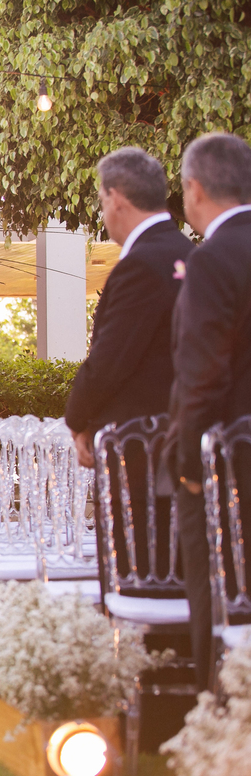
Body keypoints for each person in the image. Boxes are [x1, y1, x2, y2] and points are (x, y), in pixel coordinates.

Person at [64, 147, 193, 588]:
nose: (104, 212)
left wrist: (78, 419)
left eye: (101, 202)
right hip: (187, 441)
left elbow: (109, 360)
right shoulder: (192, 255)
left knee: (137, 574)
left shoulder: (140, 265)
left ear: (117, 198)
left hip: (139, 451)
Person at [167, 132, 251, 691]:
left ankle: (217, 715)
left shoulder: (211, 258)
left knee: (215, 591)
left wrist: (186, 464)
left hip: (230, 462)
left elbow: (202, 373)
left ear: (194, 189)